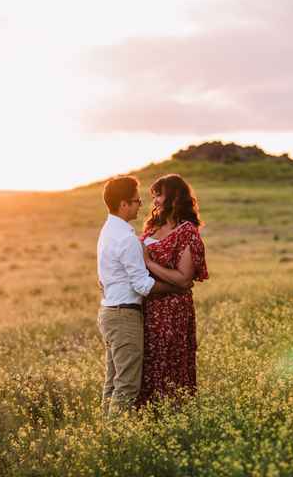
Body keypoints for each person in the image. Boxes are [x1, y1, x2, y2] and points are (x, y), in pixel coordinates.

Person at [96, 176, 191, 417]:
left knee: (113, 380)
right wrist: (176, 286)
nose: (141, 205)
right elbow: (142, 285)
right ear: (124, 204)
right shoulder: (127, 239)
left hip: (108, 312)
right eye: (137, 200)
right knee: (127, 384)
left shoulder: (107, 231)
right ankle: (116, 439)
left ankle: (105, 434)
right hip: (124, 316)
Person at [137, 174, 208, 407]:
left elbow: (183, 278)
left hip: (172, 311)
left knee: (170, 364)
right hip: (146, 309)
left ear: (175, 197)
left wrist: (149, 263)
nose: (155, 200)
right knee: (145, 364)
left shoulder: (186, 231)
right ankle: (148, 420)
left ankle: (172, 417)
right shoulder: (152, 227)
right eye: (153, 195)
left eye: (159, 194)